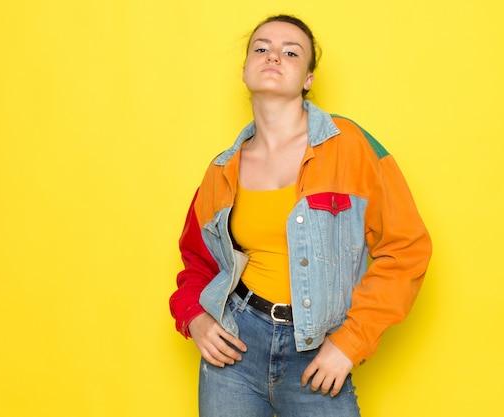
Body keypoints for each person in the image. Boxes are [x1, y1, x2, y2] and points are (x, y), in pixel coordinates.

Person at [169, 14, 432, 417]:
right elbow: (196, 263)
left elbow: (407, 249)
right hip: (235, 349)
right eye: (261, 48)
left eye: (290, 52)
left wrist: (350, 343)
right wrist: (196, 319)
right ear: (244, 71)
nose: (273, 55)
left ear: (308, 78)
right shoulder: (222, 171)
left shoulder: (352, 147)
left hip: (316, 354)